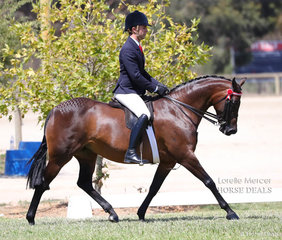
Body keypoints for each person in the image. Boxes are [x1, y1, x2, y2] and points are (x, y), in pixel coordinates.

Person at [113, 10, 169, 164]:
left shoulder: (136, 46)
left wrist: (159, 84)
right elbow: (136, 76)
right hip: (126, 91)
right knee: (145, 113)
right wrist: (155, 89)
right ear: (134, 29)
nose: (146, 30)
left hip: (133, 91)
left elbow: (143, 72)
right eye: (143, 27)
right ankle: (130, 152)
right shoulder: (128, 49)